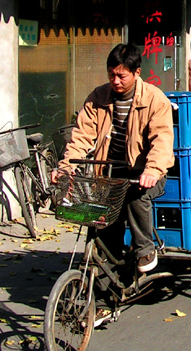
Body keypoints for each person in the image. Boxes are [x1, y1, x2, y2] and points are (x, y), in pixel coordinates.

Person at [55, 44, 175, 274]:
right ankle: (103, 285)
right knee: (103, 220)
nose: (116, 81)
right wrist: (66, 169)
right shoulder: (97, 97)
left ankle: (145, 249)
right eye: (112, 74)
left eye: (122, 75)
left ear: (136, 73)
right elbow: (80, 138)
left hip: (145, 173)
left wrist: (151, 170)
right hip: (108, 172)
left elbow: (162, 141)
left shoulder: (154, 99)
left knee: (134, 196)